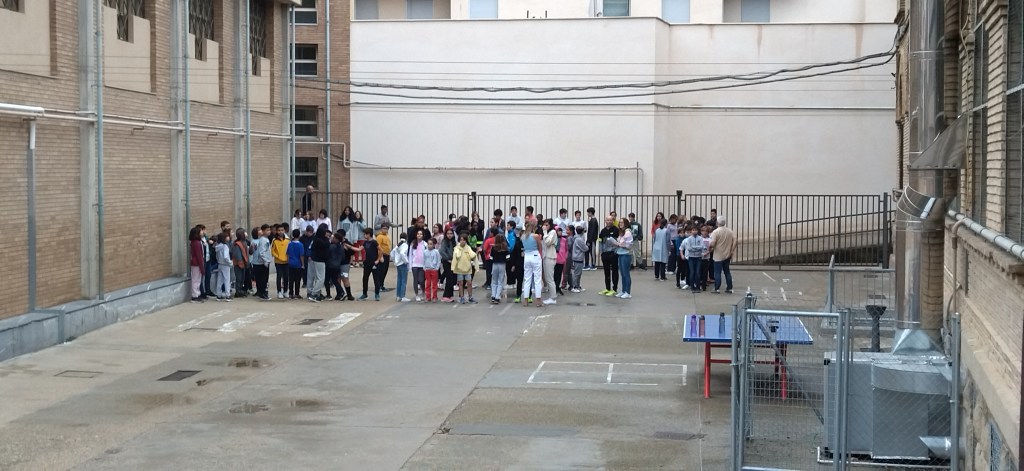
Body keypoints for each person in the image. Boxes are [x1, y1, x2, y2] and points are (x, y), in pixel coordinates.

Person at [709, 216, 737, 294]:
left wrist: (710, 246)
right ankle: (729, 288)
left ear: (717, 223)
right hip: (727, 255)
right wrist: (732, 250)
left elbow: (713, 243)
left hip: (718, 255)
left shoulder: (715, 232)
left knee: (717, 272)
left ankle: (717, 288)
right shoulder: (729, 231)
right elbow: (735, 240)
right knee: (727, 272)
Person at [520, 220, 544, 307]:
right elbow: (540, 246)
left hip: (527, 256)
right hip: (535, 255)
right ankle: (538, 300)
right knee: (537, 279)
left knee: (527, 279)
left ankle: (525, 300)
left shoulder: (523, 236)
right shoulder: (536, 236)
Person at [452, 234, 478, 304]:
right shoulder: (456, 248)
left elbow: (472, 254)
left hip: (468, 269)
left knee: (469, 283)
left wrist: (474, 255)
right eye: (461, 240)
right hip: (459, 269)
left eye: (464, 240)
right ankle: (461, 297)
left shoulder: (468, 248)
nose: (462, 241)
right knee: (460, 283)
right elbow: (456, 255)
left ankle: (470, 297)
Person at [307, 223, 330, 302]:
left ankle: (317, 293)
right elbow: (326, 247)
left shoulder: (315, 238)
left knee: (317, 277)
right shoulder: (320, 240)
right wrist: (328, 239)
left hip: (315, 259)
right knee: (321, 278)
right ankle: (314, 294)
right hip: (320, 260)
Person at [598, 215, 620, 296]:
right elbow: (600, 241)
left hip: (613, 254)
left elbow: (619, 241)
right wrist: (601, 252)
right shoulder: (603, 231)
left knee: (614, 271)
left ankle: (614, 289)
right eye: (608, 220)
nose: (609, 221)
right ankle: (607, 288)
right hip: (605, 254)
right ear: (605, 221)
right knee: (606, 272)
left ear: (613, 221)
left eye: (611, 220)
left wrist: (616, 252)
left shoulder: (616, 230)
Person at [358, 228, 382, 301]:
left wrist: (378, 260)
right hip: (367, 263)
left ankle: (377, 294)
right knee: (365, 278)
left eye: (365, 234)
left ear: (369, 234)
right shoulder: (365, 242)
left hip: (374, 263)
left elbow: (381, 250)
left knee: (376, 279)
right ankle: (364, 294)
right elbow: (359, 249)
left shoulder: (374, 242)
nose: (364, 235)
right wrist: (350, 246)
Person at [682, 225, 705, 294]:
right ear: (691, 231)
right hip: (691, 257)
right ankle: (692, 287)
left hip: (698, 257)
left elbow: (702, 247)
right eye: (693, 230)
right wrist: (697, 248)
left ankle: (697, 287)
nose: (694, 231)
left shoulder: (700, 238)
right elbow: (689, 248)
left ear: (698, 231)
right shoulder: (689, 239)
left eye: (696, 230)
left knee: (697, 272)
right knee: (692, 272)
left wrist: (694, 248)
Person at [540, 220, 558, 305]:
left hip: (550, 257)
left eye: (547, 225)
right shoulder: (547, 233)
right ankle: (552, 296)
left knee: (550, 279)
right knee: (548, 278)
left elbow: (547, 242)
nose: (545, 226)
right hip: (546, 257)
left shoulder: (552, 232)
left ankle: (553, 297)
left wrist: (544, 232)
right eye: (544, 225)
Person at [252, 226, 272, 300]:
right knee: (263, 279)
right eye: (267, 230)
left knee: (262, 278)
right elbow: (262, 252)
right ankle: (263, 293)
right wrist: (265, 260)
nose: (269, 231)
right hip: (262, 262)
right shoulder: (263, 240)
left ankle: (261, 292)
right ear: (263, 231)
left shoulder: (266, 239)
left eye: (269, 230)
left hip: (264, 261)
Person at [615, 217, 634, 299]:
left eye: (622, 222)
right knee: (622, 273)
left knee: (626, 273)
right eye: (620, 222)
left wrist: (620, 245)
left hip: (626, 254)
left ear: (626, 223)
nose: (620, 224)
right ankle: (623, 290)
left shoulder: (628, 232)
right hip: (620, 253)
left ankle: (627, 292)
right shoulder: (621, 232)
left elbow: (629, 245)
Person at [489, 231, 509, 304]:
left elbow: (491, 258)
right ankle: (497, 297)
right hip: (502, 265)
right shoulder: (505, 247)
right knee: (500, 281)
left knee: (494, 281)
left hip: (495, 264)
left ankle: (493, 296)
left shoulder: (493, 248)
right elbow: (508, 257)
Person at [233, 228, 252, 298]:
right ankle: (238, 291)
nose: (246, 234)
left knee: (242, 278)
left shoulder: (245, 242)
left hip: (245, 263)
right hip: (239, 264)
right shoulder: (237, 244)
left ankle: (240, 290)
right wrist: (240, 262)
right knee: (239, 278)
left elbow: (248, 252)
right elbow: (237, 255)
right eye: (244, 232)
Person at [326, 232, 346, 300]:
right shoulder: (341, 247)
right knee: (335, 280)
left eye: (333, 238)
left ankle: (328, 295)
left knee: (327, 280)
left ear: (337, 239)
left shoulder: (331, 246)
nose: (332, 239)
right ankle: (342, 292)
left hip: (329, 265)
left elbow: (327, 254)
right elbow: (343, 258)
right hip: (337, 265)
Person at [270, 225, 289, 299]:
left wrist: (288, 257)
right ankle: (279, 291)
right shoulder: (274, 241)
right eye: (279, 230)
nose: (280, 232)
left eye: (282, 230)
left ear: (284, 231)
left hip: (286, 261)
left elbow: (289, 250)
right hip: (278, 262)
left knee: (286, 277)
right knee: (279, 276)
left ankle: (285, 291)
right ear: (276, 231)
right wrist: (277, 256)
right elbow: (272, 251)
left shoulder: (287, 240)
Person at [391, 233, 411, 302]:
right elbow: (402, 253)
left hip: (398, 264)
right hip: (402, 264)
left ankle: (398, 296)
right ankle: (403, 296)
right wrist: (406, 261)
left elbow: (392, 253)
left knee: (399, 280)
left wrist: (395, 261)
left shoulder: (398, 245)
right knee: (403, 280)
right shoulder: (405, 245)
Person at [438, 228, 457, 302]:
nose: (449, 235)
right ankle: (445, 296)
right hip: (446, 262)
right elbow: (441, 251)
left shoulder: (453, 242)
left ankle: (450, 295)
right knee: (449, 279)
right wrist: (447, 258)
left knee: (452, 279)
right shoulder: (444, 242)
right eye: (448, 234)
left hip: (453, 262)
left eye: (451, 234)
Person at [286, 229, 305, 299]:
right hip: (298, 264)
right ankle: (297, 293)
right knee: (297, 280)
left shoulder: (290, 244)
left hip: (291, 263)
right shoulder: (300, 245)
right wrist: (303, 264)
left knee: (291, 279)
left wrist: (288, 262)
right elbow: (301, 255)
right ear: (299, 235)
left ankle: (290, 293)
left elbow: (287, 254)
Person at [214, 232, 233, 301]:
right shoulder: (225, 246)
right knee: (227, 280)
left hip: (220, 264)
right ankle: (228, 295)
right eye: (227, 236)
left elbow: (217, 256)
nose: (228, 237)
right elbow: (226, 257)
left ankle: (218, 295)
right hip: (225, 265)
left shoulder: (218, 246)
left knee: (220, 280)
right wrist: (230, 262)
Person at [189, 226, 206, 303]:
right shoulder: (196, 243)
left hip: (196, 263)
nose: (202, 232)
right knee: (196, 280)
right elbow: (199, 255)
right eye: (200, 231)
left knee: (197, 279)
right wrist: (202, 267)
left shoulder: (196, 242)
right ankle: (195, 295)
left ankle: (197, 294)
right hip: (196, 264)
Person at [409, 230, 427, 302]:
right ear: (416, 235)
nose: (419, 235)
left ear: (423, 235)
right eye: (418, 234)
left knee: (422, 280)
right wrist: (410, 266)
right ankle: (416, 294)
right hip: (414, 265)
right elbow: (410, 255)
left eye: (421, 234)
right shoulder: (413, 243)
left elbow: (426, 255)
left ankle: (423, 292)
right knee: (415, 280)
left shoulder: (425, 244)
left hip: (422, 265)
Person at [376, 223, 393, 292]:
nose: (385, 230)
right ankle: (379, 286)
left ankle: (382, 285)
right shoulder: (379, 236)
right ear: (381, 229)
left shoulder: (387, 236)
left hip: (387, 255)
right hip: (382, 256)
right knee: (381, 271)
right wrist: (380, 256)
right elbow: (378, 247)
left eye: (386, 229)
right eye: (383, 228)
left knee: (385, 271)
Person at [423, 238, 441, 302]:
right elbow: (423, 260)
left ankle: (434, 297)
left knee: (434, 284)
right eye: (428, 244)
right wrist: (424, 267)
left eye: (431, 244)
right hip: (427, 269)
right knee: (428, 284)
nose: (429, 245)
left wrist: (437, 268)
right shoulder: (425, 252)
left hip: (434, 270)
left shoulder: (436, 252)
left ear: (433, 245)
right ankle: (428, 297)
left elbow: (439, 260)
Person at [570, 225, 587, 292]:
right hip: (578, 257)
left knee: (578, 273)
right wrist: (587, 246)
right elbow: (585, 248)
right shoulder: (579, 239)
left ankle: (578, 286)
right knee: (577, 273)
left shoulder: (577, 238)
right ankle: (574, 287)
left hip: (578, 257)